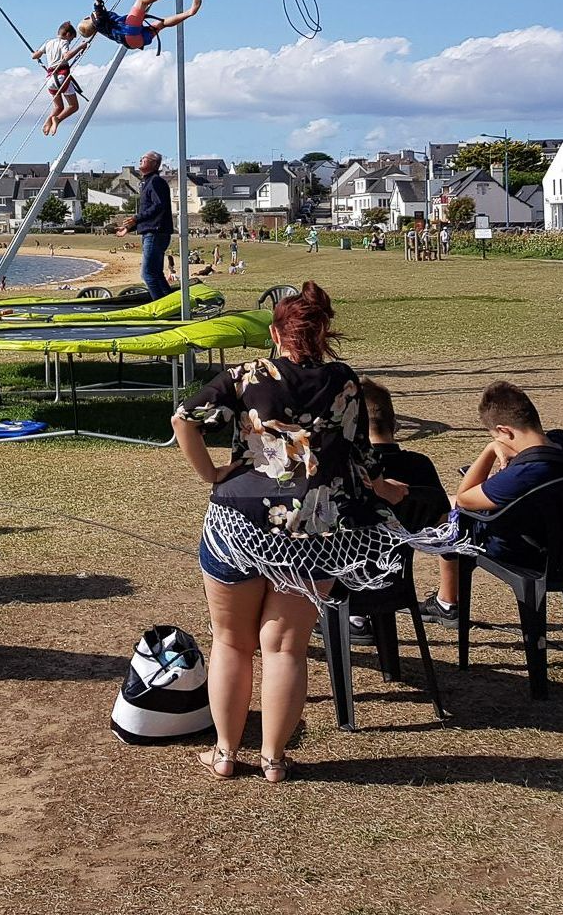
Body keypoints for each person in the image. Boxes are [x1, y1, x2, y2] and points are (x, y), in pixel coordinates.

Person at [170, 283, 412, 782]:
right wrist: (383, 486)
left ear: (276, 332)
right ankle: (274, 759)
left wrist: (211, 474)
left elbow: (184, 419)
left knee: (231, 643)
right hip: (316, 530)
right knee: (286, 649)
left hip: (237, 523)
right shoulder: (345, 381)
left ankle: (224, 753)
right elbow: (357, 454)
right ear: (323, 333)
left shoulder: (247, 375)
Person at [455, 381, 563, 564]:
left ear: (504, 431)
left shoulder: (525, 473)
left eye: (496, 437)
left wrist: (490, 449)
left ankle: (447, 593)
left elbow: (464, 499)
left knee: (450, 510)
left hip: (536, 553)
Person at [361, 378, 458, 631]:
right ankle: (448, 601)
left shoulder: (350, 470)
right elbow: (445, 529)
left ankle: (355, 619)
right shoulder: (420, 465)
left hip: (351, 582)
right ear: (395, 424)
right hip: (398, 584)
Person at [78, 0, 201, 51]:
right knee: (141, 0)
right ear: (86, 19)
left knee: (161, 24)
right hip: (128, 32)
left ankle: (190, 12)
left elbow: (102, 14)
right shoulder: (98, 22)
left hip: (134, 43)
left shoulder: (103, 27)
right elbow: (99, 12)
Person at [116, 151, 173, 300]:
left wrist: (135, 218)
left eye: (144, 159)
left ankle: (161, 306)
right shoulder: (147, 182)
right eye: (141, 158)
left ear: (154, 164)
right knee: (156, 273)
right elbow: (149, 213)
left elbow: (159, 206)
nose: (140, 160)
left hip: (155, 233)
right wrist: (130, 227)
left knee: (147, 274)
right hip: (152, 232)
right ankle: (171, 304)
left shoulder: (155, 181)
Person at [32, 21, 89, 136]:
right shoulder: (63, 42)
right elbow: (66, 56)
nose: (70, 41)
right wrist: (80, 47)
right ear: (68, 35)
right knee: (73, 106)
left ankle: (49, 121)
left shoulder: (48, 42)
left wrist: (37, 53)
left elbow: (34, 56)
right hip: (61, 77)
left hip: (50, 80)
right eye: (71, 39)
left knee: (58, 107)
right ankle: (57, 119)